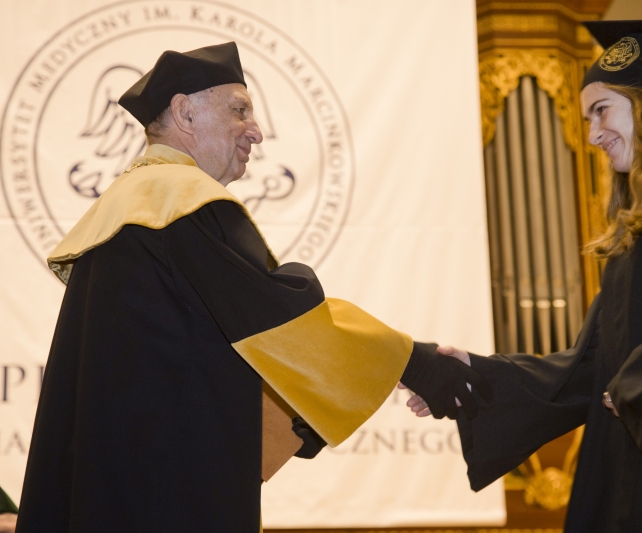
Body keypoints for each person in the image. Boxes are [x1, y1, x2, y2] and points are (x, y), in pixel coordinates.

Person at [15, 42, 490, 532]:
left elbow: (200, 354)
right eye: (239, 111)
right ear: (185, 113)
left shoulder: (129, 207)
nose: (257, 132)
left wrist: (301, 418)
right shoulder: (179, 200)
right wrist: (420, 365)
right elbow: (282, 322)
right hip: (168, 499)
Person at [405, 20, 642, 532]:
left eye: (601, 110)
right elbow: (592, 367)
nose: (591, 134)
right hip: (635, 465)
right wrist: (472, 373)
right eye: (587, 117)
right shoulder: (635, 230)